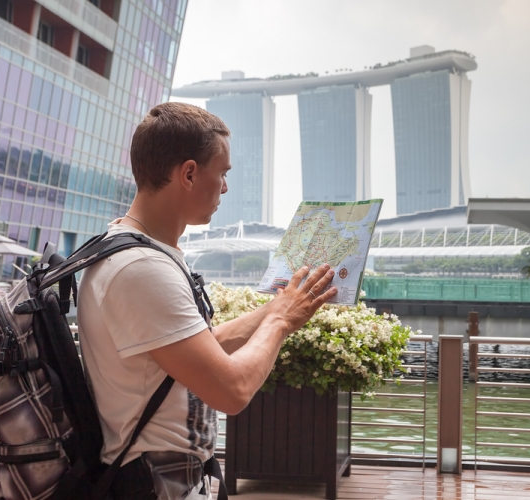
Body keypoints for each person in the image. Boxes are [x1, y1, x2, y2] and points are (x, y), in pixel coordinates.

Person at [76, 102, 337, 499]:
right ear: (190, 173)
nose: (226, 188)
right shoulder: (141, 269)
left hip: (164, 475)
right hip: (155, 482)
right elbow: (231, 390)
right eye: (224, 173)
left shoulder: (132, 250)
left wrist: (281, 305)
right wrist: (279, 322)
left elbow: (202, 345)